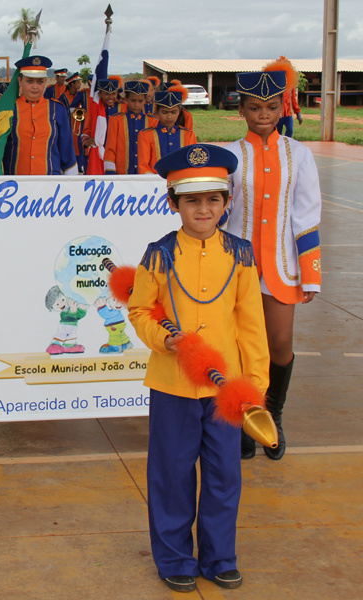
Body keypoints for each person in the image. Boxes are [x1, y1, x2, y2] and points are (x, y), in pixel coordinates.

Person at [128, 144, 269, 593]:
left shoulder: (242, 255)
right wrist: (163, 338)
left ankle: (219, 556)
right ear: (174, 203)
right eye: (192, 200)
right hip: (173, 385)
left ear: (227, 202)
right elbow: (140, 311)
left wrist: (254, 388)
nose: (203, 208)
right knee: (171, 474)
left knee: (225, 474)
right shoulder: (158, 254)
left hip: (226, 389)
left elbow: (251, 327)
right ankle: (174, 558)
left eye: (213, 199)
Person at [225, 58, 321, 461]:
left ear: (283, 107)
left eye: (271, 108)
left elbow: (307, 214)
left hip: (282, 268)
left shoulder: (299, 155)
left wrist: (311, 275)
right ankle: (244, 419)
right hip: (236, 268)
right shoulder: (227, 154)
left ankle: (272, 415)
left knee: (279, 345)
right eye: (254, 107)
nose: (263, 116)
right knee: (240, 347)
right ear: (241, 109)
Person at [0, 55, 77, 175]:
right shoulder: (9, 110)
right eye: (29, 81)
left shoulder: (58, 109)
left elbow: (67, 153)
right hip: (14, 187)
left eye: (40, 82)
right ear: (20, 81)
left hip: (50, 187)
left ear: (45, 82)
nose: (35, 86)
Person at [104, 80, 158, 175]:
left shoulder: (153, 121)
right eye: (133, 101)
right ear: (126, 99)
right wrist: (110, 170)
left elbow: (154, 150)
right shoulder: (116, 119)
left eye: (140, 101)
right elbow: (110, 147)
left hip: (146, 174)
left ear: (145, 100)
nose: (136, 104)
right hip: (121, 172)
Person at [137, 89, 197, 174]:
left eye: (173, 112)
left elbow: (192, 163)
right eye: (165, 112)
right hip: (154, 182)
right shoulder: (146, 135)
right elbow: (143, 166)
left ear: (179, 112)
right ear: (157, 112)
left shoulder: (188, 134)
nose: (169, 117)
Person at [274, 57, 302, 137]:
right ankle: (278, 147)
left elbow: (293, 99)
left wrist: (298, 113)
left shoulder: (291, 84)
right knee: (277, 133)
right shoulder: (275, 83)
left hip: (288, 113)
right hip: (278, 113)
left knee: (290, 130)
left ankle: (286, 144)